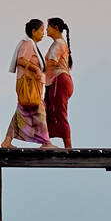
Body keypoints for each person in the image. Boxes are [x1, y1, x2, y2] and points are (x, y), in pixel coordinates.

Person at [1, 19, 53, 148]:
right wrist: (34, 68)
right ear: (33, 31)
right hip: (28, 84)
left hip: (31, 84)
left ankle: (7, 141)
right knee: (39, 111)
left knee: (21, 110)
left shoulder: (32, 44)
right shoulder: (28, 44)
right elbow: (21, 60)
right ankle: (46, 142)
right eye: (41, 30)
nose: (43, 33)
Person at [44, 17, 73, 148]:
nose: (46, 29)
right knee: (48, 110)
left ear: (55, 28)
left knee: (59, 112)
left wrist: (33, 66)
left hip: (59, 80)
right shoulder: (59, 43)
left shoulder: (58, 44)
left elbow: (51, 62)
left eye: (48, 26)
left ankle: (68, 147)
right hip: (57, 81)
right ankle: (46, 141)